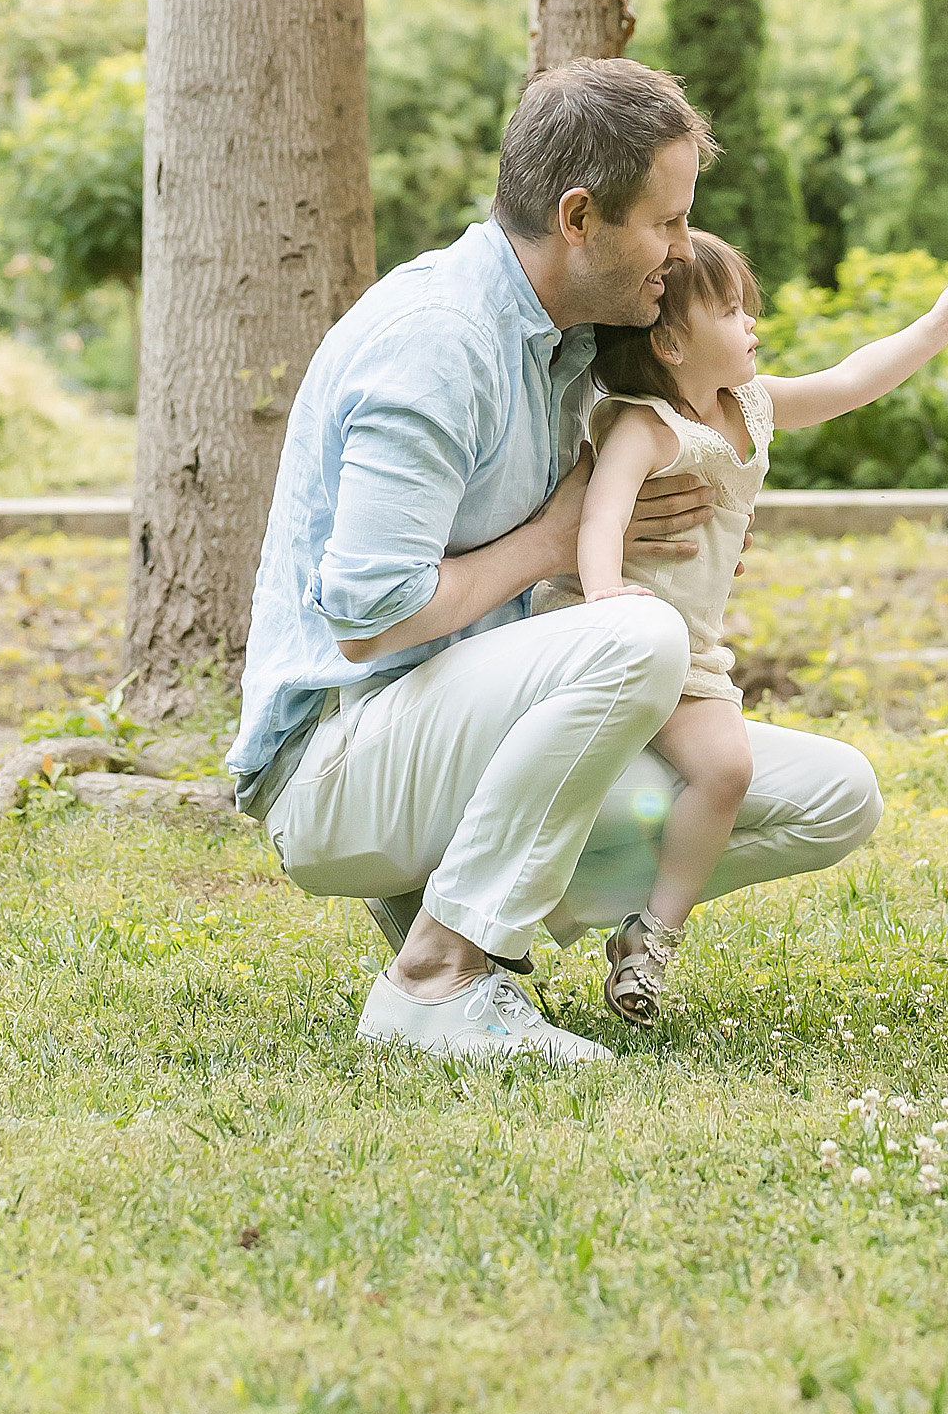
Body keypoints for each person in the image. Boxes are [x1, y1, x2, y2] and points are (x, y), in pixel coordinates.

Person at [227, 59, 884, 1068]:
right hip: (340, 764)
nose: (678, 251)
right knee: (635, 636)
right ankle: (438, 977)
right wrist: (554, 539)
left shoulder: (575, 342)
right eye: (664, 224)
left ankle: (442, 899)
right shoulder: (438, 345)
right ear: (580, 217)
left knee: (834, 793)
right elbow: (368, 621)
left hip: (459, 733)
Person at [559, 228, 948, 1028]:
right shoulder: (644, 427)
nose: (752, 323)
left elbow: (850, 381)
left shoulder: (750, 406)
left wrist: (936, 326)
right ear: (672, 340)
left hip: (692, 660)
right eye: (731, 312)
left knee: (726, 771)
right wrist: (605, 603)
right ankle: (513, 905)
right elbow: (601, 517)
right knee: (609, 778)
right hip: (618, 641)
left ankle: (652, 935)